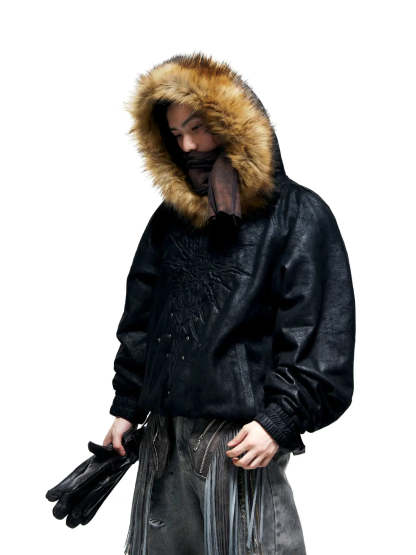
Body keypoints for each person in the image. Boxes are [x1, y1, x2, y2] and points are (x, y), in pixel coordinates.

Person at [102, 52, 356, 554]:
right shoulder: (170, 221)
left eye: (198, 128)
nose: (188, 145)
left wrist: (280, 421)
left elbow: (320, 337)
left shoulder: (299, 216)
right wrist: (127, 407)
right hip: (161, 442)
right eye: (176, 134)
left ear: (233, 123)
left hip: (238, 444)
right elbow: (142, 320)